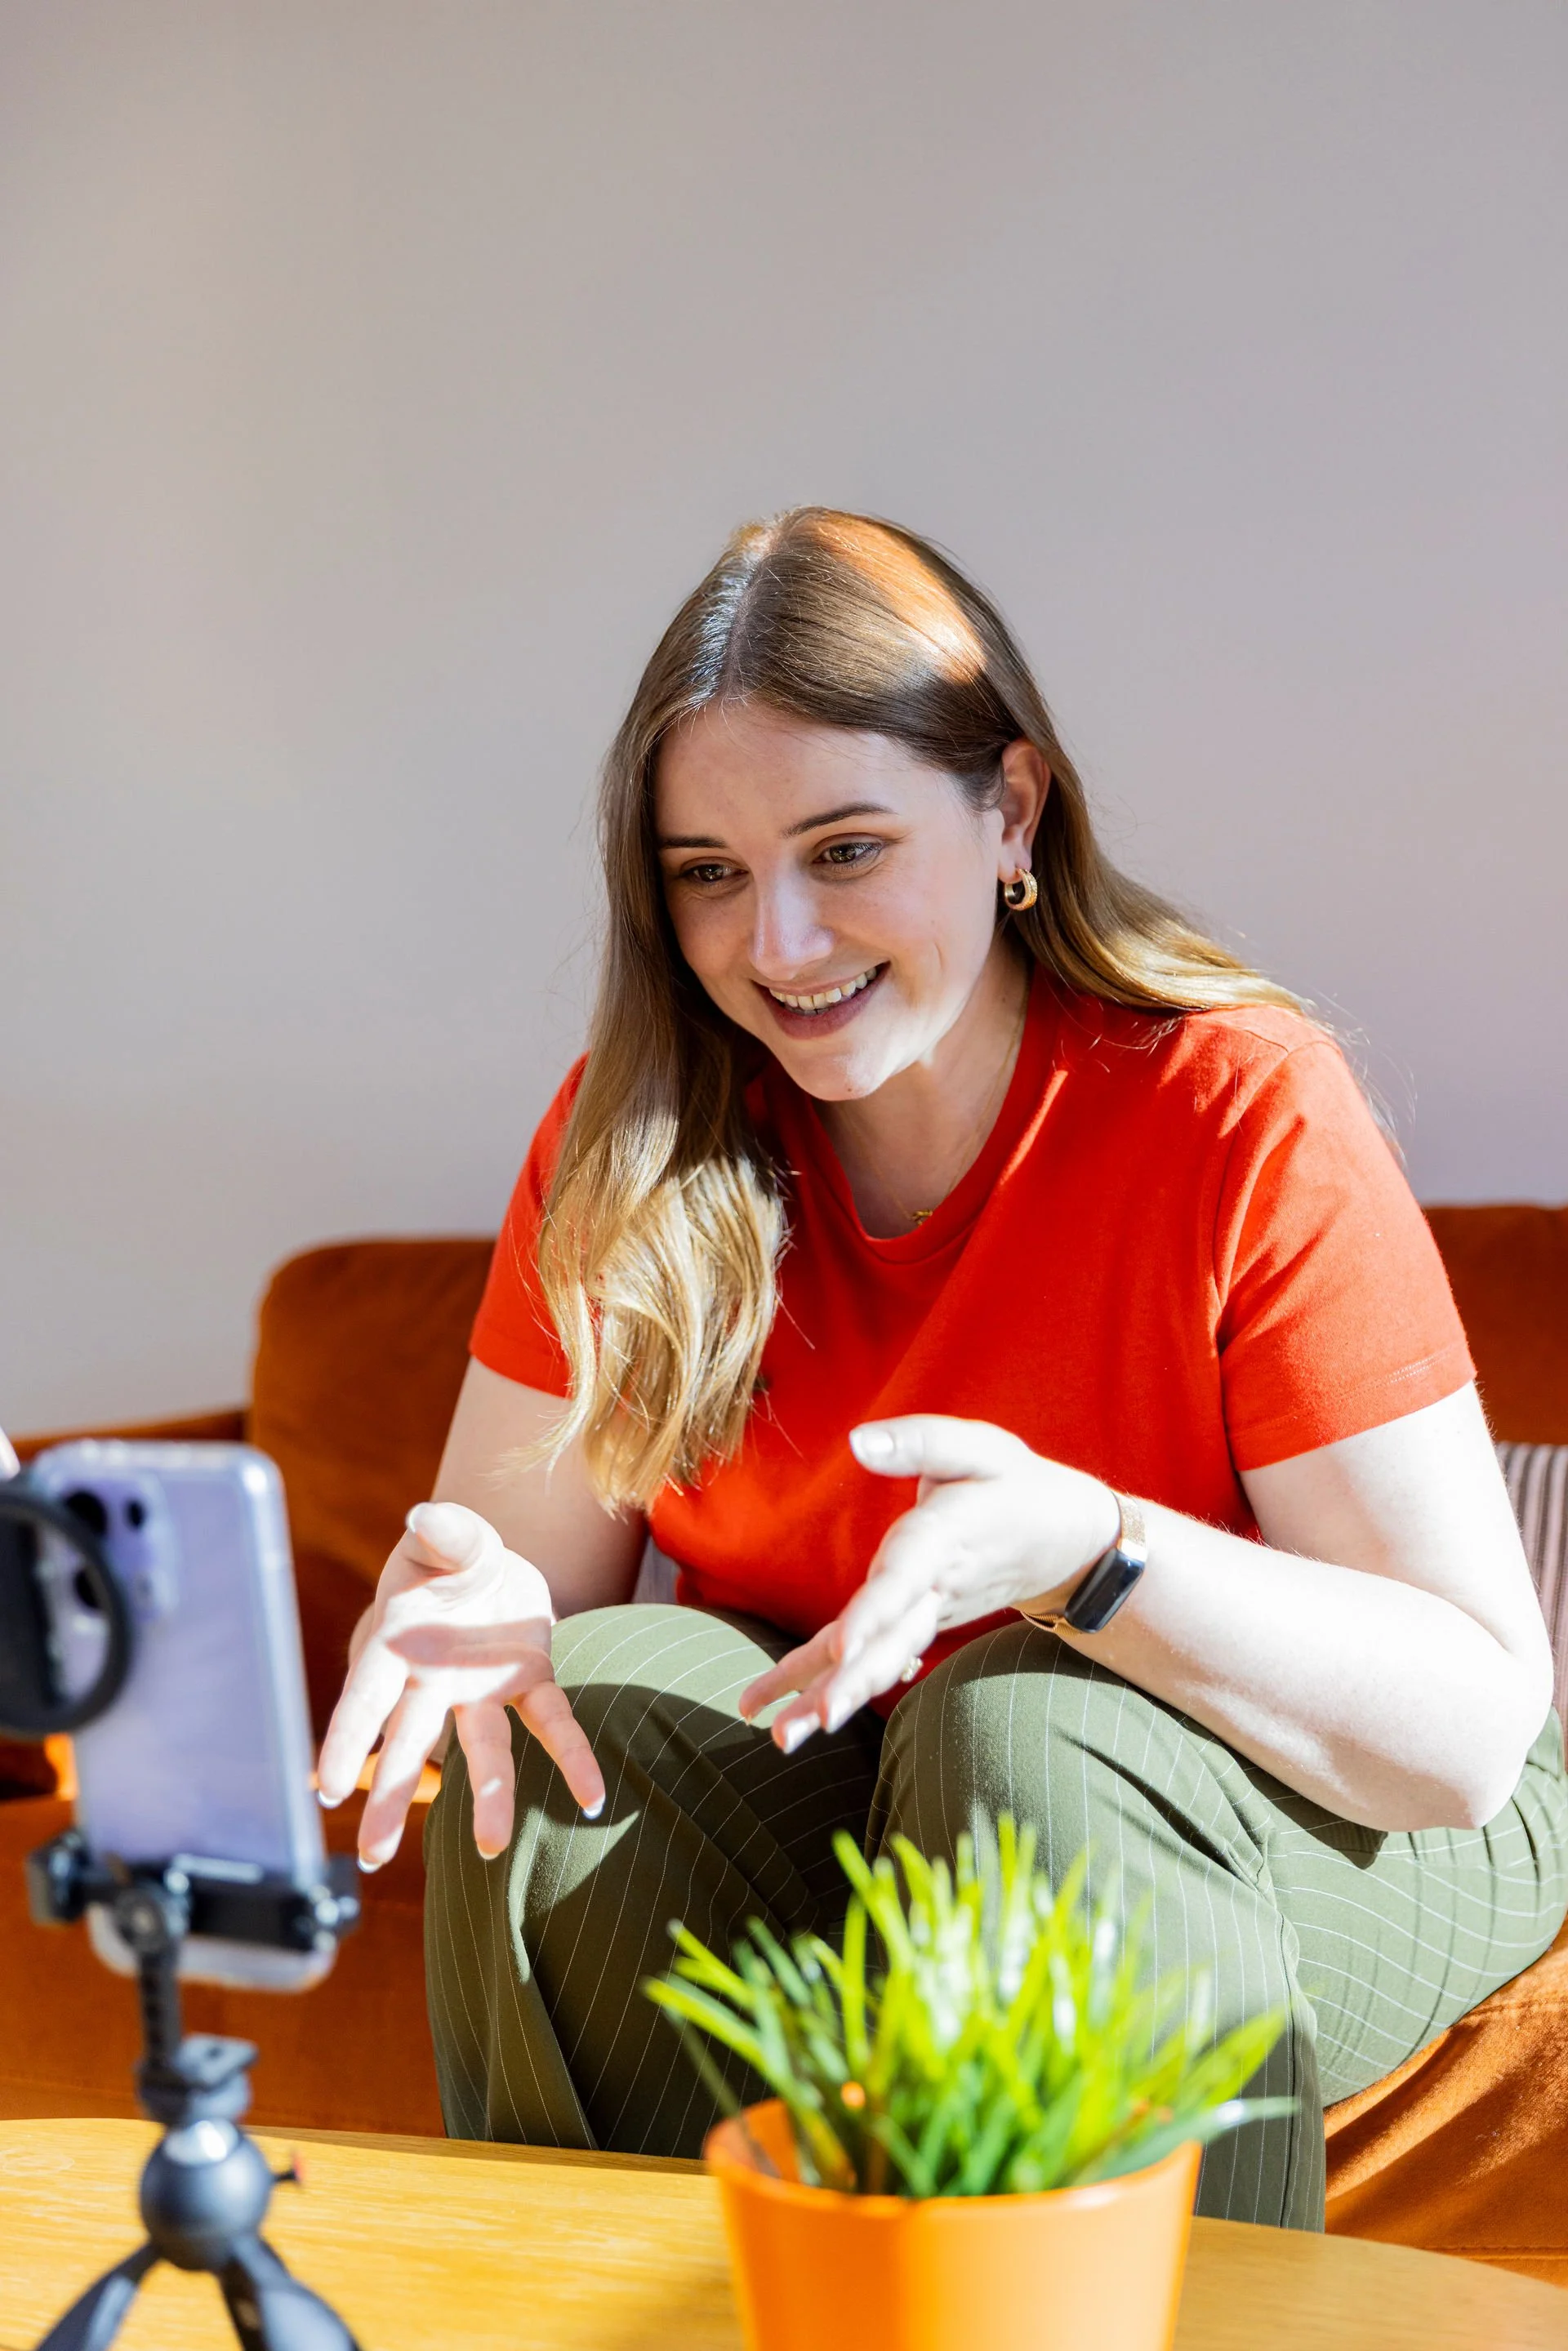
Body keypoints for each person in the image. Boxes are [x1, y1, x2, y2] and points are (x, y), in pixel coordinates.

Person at [318, 507, 1563, 2229]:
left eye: (844, 849)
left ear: (1013, 811)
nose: (782, 944)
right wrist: (474, 1611)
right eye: (709, 873)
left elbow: (1467, 1726)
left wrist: (1087, 1552)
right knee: (568, 1722)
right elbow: (517, 1597)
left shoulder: (1232, 1103)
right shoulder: (636, 1144)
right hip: (900, 1792)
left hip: (1332, 1795)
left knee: (1030, 1727)